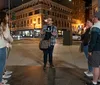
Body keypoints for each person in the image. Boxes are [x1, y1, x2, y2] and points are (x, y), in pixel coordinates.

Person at [0, 11, 13, 85]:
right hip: (1, 47)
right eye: (7, 16)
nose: (8, 17)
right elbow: (6, 36)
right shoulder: (4, 24)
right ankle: (0, 81)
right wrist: (11, 40)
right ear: (4, 17)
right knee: (1, 64)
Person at [88, 11, 100, 85]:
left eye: (93, 17)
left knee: (96, 66)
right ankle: (99, 80)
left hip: (97, 49)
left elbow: (93, 41)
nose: (92, 19)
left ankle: (94, 82)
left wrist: (90, 50)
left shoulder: (95, 27)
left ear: (96, 18)